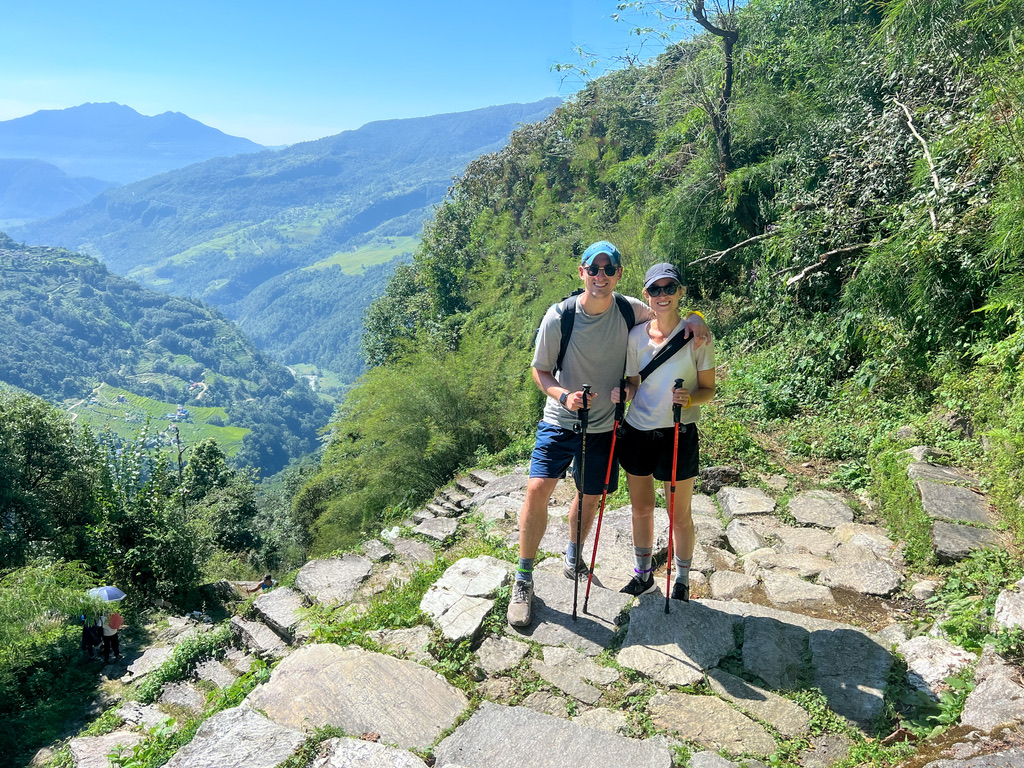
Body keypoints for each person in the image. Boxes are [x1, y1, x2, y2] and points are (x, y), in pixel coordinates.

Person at [507, 243, 709, 628]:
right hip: (560, 419)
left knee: (589, 497)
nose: (601, 276)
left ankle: (573, 556)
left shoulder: (629, 308)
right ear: (580, 272)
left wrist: (698, 316)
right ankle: (524, 577)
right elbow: (541, 371)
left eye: (609, 269)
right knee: (537, 489)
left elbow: (669, 313)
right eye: (594, 268)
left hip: (604, 427)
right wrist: (564, 396)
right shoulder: (559, 317)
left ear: (618, 274)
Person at [612, 263, 716, 602]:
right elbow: (632, 383)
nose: (663, 295)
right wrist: (622, 394)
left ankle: (682, 578)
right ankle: (643, 575)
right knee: (641, 509)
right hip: (638, 430)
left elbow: (708, 389)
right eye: (655, 290)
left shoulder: (697, 337)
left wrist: (689, 399)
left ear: (680, 292)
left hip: (678, 431)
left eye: (669, 288)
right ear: (646, 295)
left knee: (679, 513)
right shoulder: (635, 337)